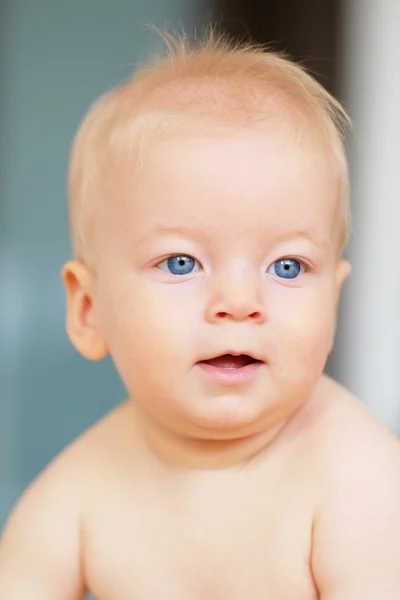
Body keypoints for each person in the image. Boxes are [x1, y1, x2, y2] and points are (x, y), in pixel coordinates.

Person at [0, 28, 399, 600]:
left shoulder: (360, 478)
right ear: (89, 310)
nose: (239, 303)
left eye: (286, 267)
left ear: (332, 302)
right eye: (182, 262)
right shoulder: (76, 495)